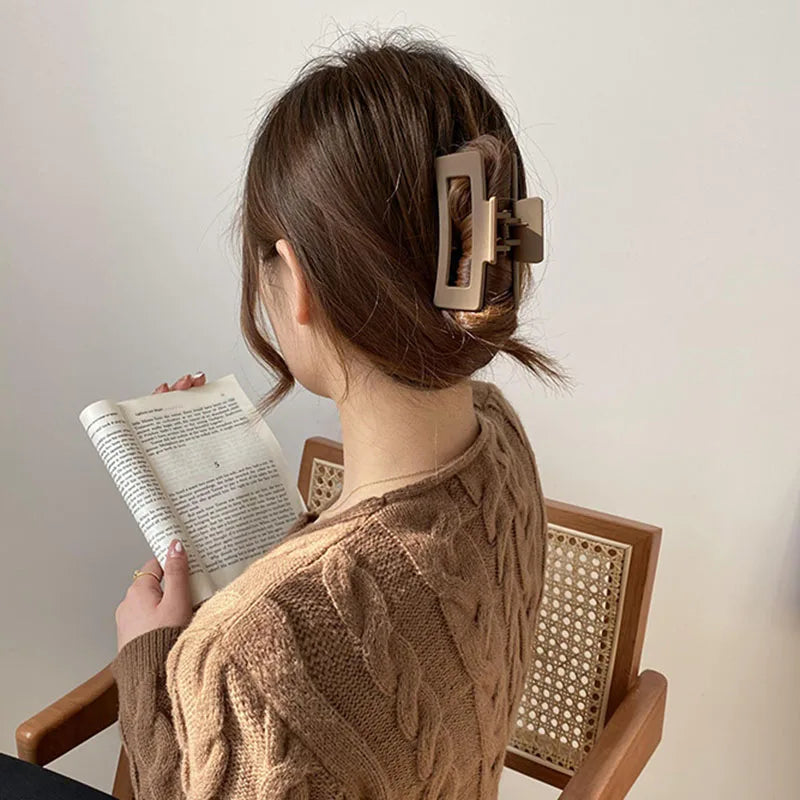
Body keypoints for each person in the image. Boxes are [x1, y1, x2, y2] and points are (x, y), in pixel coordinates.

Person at [6, 29, 572, 800]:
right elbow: (382, 592)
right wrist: (262, 549)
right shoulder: (501, 444)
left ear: (296, 281)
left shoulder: (251, 652)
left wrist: (152, 658)